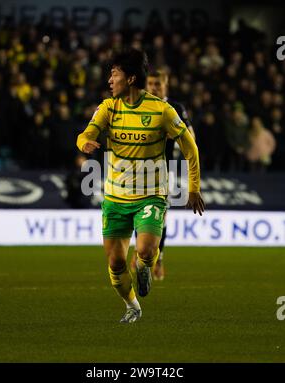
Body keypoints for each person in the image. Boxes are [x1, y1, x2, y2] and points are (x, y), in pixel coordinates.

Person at [76, 48, 204, 323]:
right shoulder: (108, 107)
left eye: (114, 74)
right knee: (115, 262)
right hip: (115, 196)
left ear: (131, 79)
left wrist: (194, 188)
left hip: (151, 195)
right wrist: (84, 142)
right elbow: (86, 132)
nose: (110, 80)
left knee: (144, 250)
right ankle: (132, 306)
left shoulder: (162, 110)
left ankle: (146, 265)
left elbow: (190, 148)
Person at [130, 69, 195, 280]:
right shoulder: (139, 104)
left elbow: (190, 136)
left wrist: (174, 134)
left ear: (165, 84)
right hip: (138, 168)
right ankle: (140, 251)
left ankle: (158, 258)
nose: (153, 87)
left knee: (160, 217)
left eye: (158, 83)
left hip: (164, 171)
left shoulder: (175, 108)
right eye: (150, 83)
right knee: (135, 212)